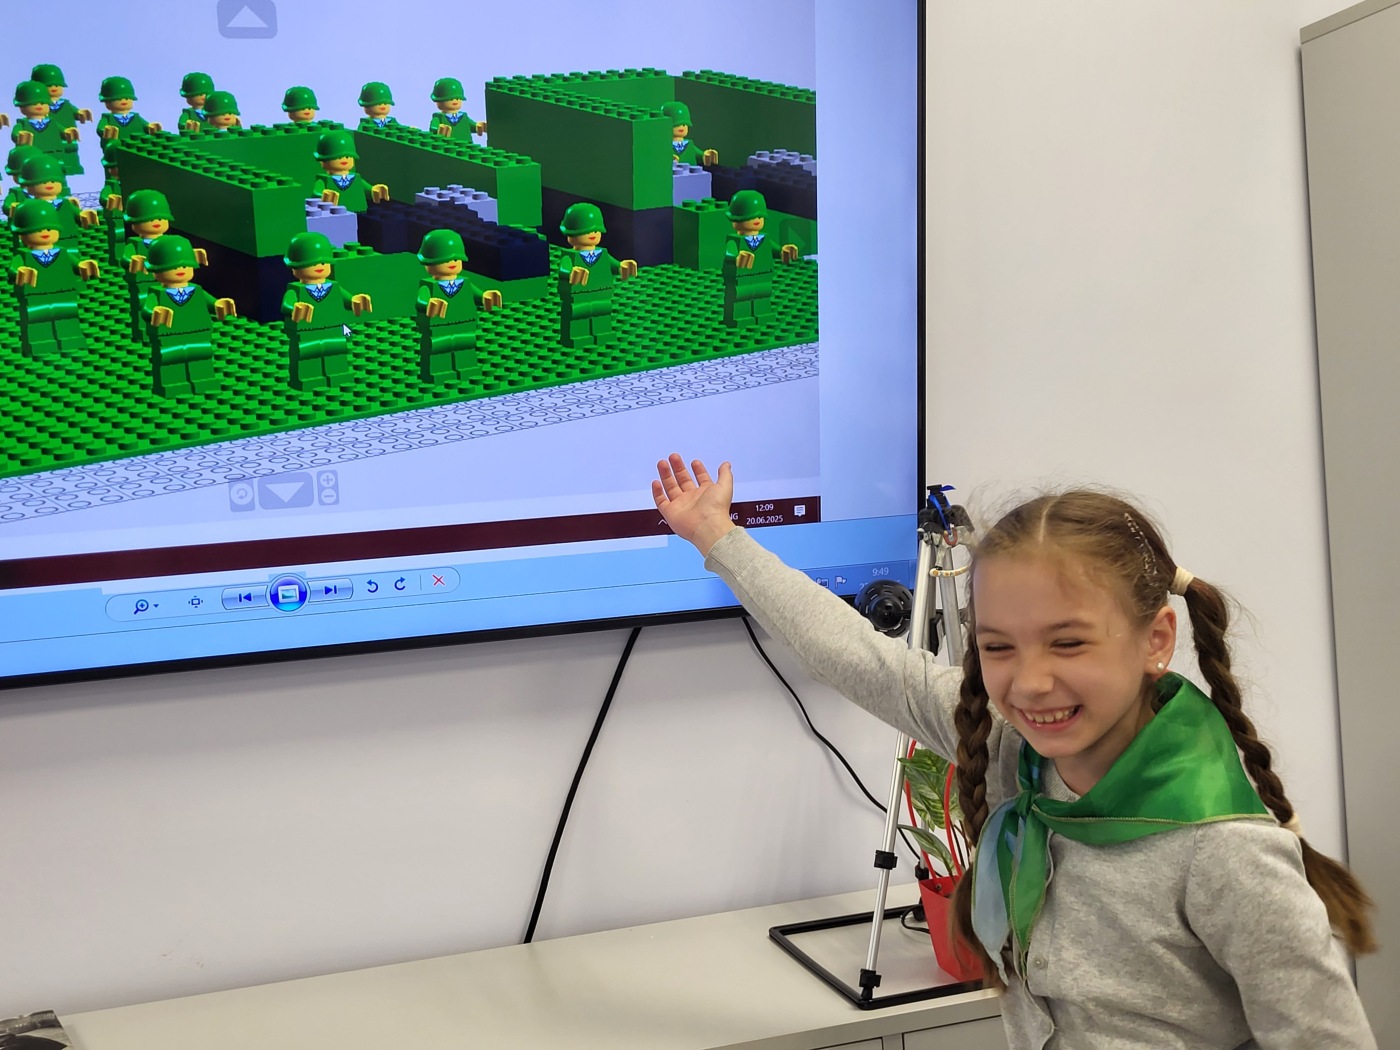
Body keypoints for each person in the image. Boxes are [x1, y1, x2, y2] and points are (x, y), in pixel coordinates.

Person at [650, 453, 1378, 1049]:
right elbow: (852, 654)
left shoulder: (1224, 851)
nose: (1029, 683)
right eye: (998, 647)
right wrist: (719, 537)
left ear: (1156, 639)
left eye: (1069, 642)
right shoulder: (1007, 746)